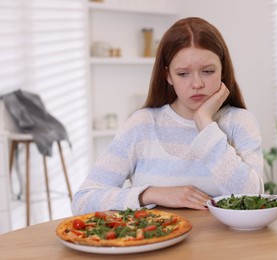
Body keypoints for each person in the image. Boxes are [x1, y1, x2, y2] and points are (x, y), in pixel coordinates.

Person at [72, 17, 264, 215]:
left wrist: (206, 125)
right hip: (156, 243)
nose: (197, 83)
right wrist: (150, 194)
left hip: (223, 245)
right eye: (183, 74)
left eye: (208, 71)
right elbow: (83, 201)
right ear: (168, 76)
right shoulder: (142, 124)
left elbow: (252, 199)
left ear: (222, 70)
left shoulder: (240, 122)